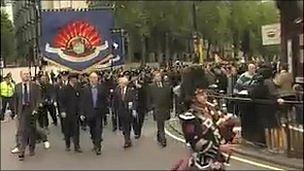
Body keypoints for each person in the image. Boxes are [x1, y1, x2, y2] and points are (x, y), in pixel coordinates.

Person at [174, 66, 236, 170]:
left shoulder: (210, 109)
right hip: (201, 164)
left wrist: (232, 134)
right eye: (201, 94)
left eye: (205, 92)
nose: (205, 96)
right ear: (193, 98)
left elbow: (219, 129)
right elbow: (196, 143)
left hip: (217, 161)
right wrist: (219, 148)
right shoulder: (189, 118)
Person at [13, 70, 42, 161]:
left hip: (32, 110)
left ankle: (32, 148)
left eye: (28, 74)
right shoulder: (17, 87)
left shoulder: (35, 86)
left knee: (32, 130)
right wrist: (15, 112)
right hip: (22, 111)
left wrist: (35, 109)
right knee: (22, 131)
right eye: (25, 74)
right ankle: (21, 151)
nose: (26, 75)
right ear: (21, 75)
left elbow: (38, 99)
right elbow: (15, 100)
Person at [80, 72, 108, 155]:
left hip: (99, 112)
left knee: (98, 130)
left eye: (95, 78)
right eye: (92, 78)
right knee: (92, 130)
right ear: (89, 79)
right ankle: (94, 142)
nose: (93, 79)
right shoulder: (85, 89)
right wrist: (82, 113)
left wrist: (105, 111)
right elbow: (82, 102)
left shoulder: (102, 88)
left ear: (97, 79)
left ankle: (98, 147)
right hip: (89, 112)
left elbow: (105, 100)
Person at [147, 71, 173, 147]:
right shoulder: (151, 86)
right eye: (156, 76)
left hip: (165, 107)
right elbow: (149, 98)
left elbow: (169, 97)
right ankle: (163, 139)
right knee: (160, 123)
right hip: (156, 108)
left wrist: (171, 107)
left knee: (162, 123)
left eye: (159, 76)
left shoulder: (166, 86)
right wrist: (150, 108)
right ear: (154, 78)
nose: (158, 77)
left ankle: (159, 134)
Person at [59, 73, 82, 153]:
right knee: (67, 130)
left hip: (75, 113)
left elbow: (80, 100)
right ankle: (67, 144)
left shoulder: (78, 88)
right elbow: (61, 101)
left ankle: (77, 146)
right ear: (71, 79)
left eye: (76, 78)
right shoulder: (64, 89)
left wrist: (81, 111)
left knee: (76, 130)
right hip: (67, 113)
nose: (75, 80)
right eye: (74, 78)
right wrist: (62, 111)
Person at [113, 73, 137, 148]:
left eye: (121, 83)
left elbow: (134, 100)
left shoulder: (130, 90)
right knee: (124, 126)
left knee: (127, 126)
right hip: (120, 111)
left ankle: (127, 140)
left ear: (124, 83)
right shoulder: (117, 90)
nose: (119, 84)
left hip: (128, 111)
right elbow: (115, 101)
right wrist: (114, 111)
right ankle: (127, 138)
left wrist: (134, 109)